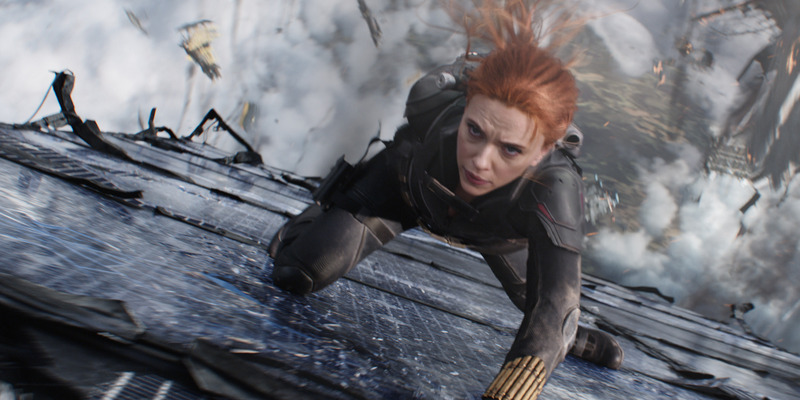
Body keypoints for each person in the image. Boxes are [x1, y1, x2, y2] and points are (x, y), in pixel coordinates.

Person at [268, 1, 623, 398]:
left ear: (542, 152)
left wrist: (513, 386)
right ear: (466, 105)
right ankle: (308, 223)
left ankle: (573, 341)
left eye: (510, 150)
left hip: (497, 235)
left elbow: (556, 307)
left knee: (544, 312)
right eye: (474, 131)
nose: (480, 162)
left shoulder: (555, 186)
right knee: (297, 273)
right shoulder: (431, 105)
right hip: (401, 193)